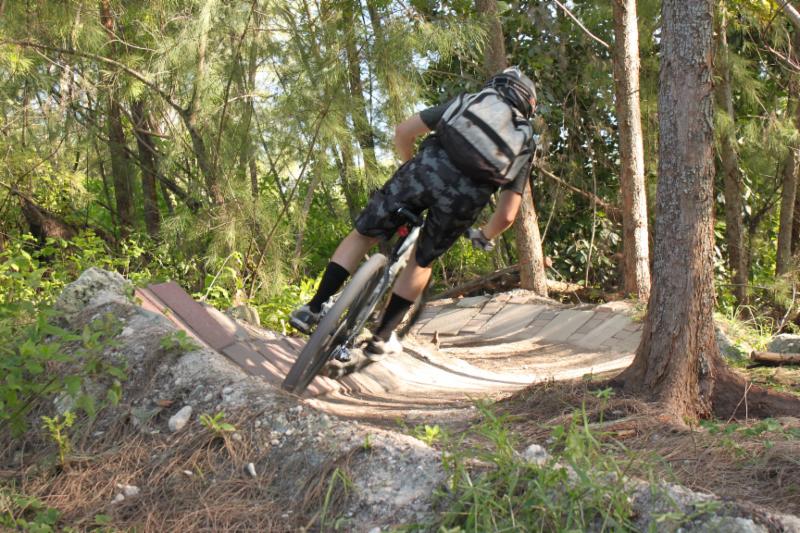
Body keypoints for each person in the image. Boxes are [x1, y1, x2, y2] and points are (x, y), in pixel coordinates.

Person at [290, 67, 537, 359]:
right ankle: (381, 338)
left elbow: (403, 132)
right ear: (528, 105)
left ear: (495, 85)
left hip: (420, 175)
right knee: (421, 262)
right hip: (461, 203)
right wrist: (485, 235)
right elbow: (507, 214)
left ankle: (313, 308)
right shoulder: (525, 140)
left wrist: (409, 166)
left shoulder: (468, 102)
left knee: (362, 235)